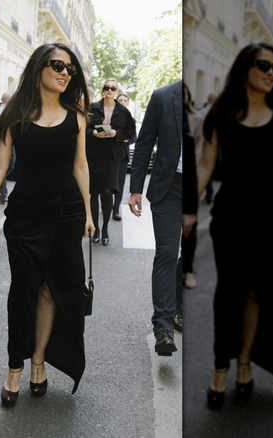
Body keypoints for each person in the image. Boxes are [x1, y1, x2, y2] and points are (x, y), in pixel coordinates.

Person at [0, 42, 94, 407]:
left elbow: (80, 166)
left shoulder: (76, 115)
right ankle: (14, 366)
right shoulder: (14, 115)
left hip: (67, 213)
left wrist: (90, 213)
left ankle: (38, 362)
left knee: (51, 291)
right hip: (26, 213)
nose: (66, 73)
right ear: (38, 69)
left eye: (71, 69)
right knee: (24, 290)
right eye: (58, 66)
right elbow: (0, 165)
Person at [196, 43, 273, 409]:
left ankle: (244, 362)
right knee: (230, 294)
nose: (272, 73)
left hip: (272, 215)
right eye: (263, 66)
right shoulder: (221, 117)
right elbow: (206, 166)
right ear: (245, 70)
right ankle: (220, 367)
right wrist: (188, 207)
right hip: (232, 215)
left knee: (259, 293)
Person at [128, 80, 183, 354]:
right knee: (167, 253)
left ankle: (179, 308)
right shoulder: (163, 97)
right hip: (169, 188)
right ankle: (163, 327)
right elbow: (145, 142)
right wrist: (135, 188)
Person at [87, 79, 135, 245]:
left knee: (107, 191)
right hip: (94, 155)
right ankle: (95, 228)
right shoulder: (92, 108)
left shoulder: (123, 111)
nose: (109, 90)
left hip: (112, 156)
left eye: (112, 88)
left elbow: (131, 132)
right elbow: (82, 129)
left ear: (116, 91)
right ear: (103, 90)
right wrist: (93, 133)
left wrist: (117, 133)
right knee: (93, 192)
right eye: (107, 87)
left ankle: (105, 227)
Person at [181, 83, 204, 290]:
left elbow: (200, 151)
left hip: (190, 179)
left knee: (189, 228)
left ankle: (188, 270)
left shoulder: (196, 120)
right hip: (172, 179)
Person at [112, 93, 137, 221]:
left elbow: (134, 137)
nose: (122, 102)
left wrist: (127, 139)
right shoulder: (110, 115)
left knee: (120, 184)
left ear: (128, 103)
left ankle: (116, 210)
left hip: (122, 156)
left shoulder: (130, 119)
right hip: (109, 155)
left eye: (125, 100)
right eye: (120, 100)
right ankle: (107, 205)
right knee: (106, 184)